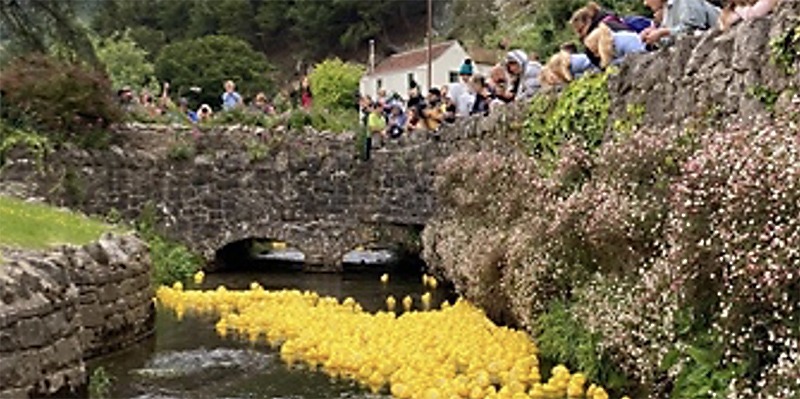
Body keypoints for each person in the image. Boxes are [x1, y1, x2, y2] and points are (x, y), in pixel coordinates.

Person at [640, 0, 720, 46]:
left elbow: (694, 31)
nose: (645, 3)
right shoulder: (668, 9)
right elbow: (671, 41)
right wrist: (655, 37)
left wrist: (663, 32)